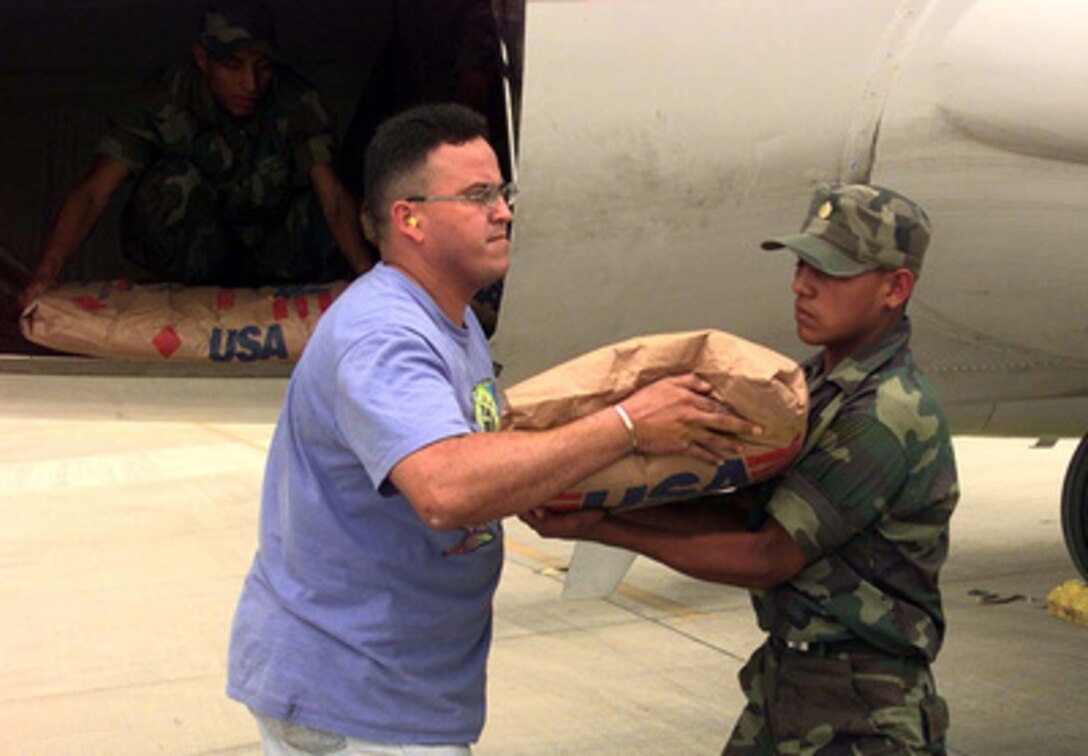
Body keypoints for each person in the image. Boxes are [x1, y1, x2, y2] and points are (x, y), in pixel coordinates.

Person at [226, 102, 759, 754]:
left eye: (503, 193)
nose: (504, 211)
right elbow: (445, 490)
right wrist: (627, 426)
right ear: (409, 218)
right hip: (356, 700)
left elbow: (480, 457)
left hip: (396, 690)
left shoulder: (454, 321)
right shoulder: (385, 334)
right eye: (479, 195)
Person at [523, 183, 960, 754]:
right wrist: (594, 494)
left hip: (863, 708)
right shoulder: (819, 385)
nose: (802, 284)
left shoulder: (887, 411)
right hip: (792, 680)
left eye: (831, 271)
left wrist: (598, 528)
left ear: (894, 288)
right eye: (803, 264)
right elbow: (742, 508)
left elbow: (766, 554)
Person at [18, 0, 371, 309]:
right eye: (233, 66)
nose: (250, 83)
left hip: (273, 252)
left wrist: (372, 281)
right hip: (195, 255)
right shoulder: (162, 100)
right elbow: (95, 193)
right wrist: (45, 275)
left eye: (261, 66)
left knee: (330, 203)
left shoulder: (296, 101)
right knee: (175, 183)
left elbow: (334, 200)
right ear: (203, 59)